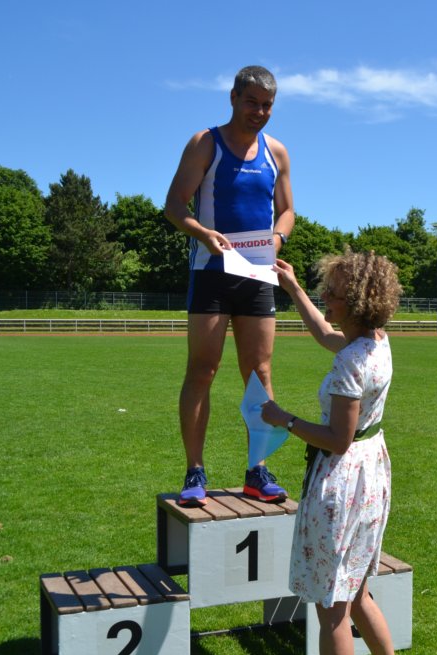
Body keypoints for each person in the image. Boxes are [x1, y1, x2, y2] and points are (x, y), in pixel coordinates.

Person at [261, 250, 404, 655]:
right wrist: (293, 288)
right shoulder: (376, 342)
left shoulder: (350, 362)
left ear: (358, 303)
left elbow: (338, 439)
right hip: (370, 473)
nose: (326, 296)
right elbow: (326, 333)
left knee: (332, 610)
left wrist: (283, 419)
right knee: (356, 592)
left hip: (343, 482)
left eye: (334, 293)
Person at [164, 65, 294, 505]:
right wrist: (204, 235)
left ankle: (257, 469)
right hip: (211, 273)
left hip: (257, 274)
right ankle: (194, 471)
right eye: (251, 102)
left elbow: (287, 211)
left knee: (259, 373)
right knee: (202, 370)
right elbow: (174, 205)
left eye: (267, 105)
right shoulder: (206, 143)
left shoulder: (276, 152)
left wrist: (278, 239)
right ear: (233, 98)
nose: (259, 111)